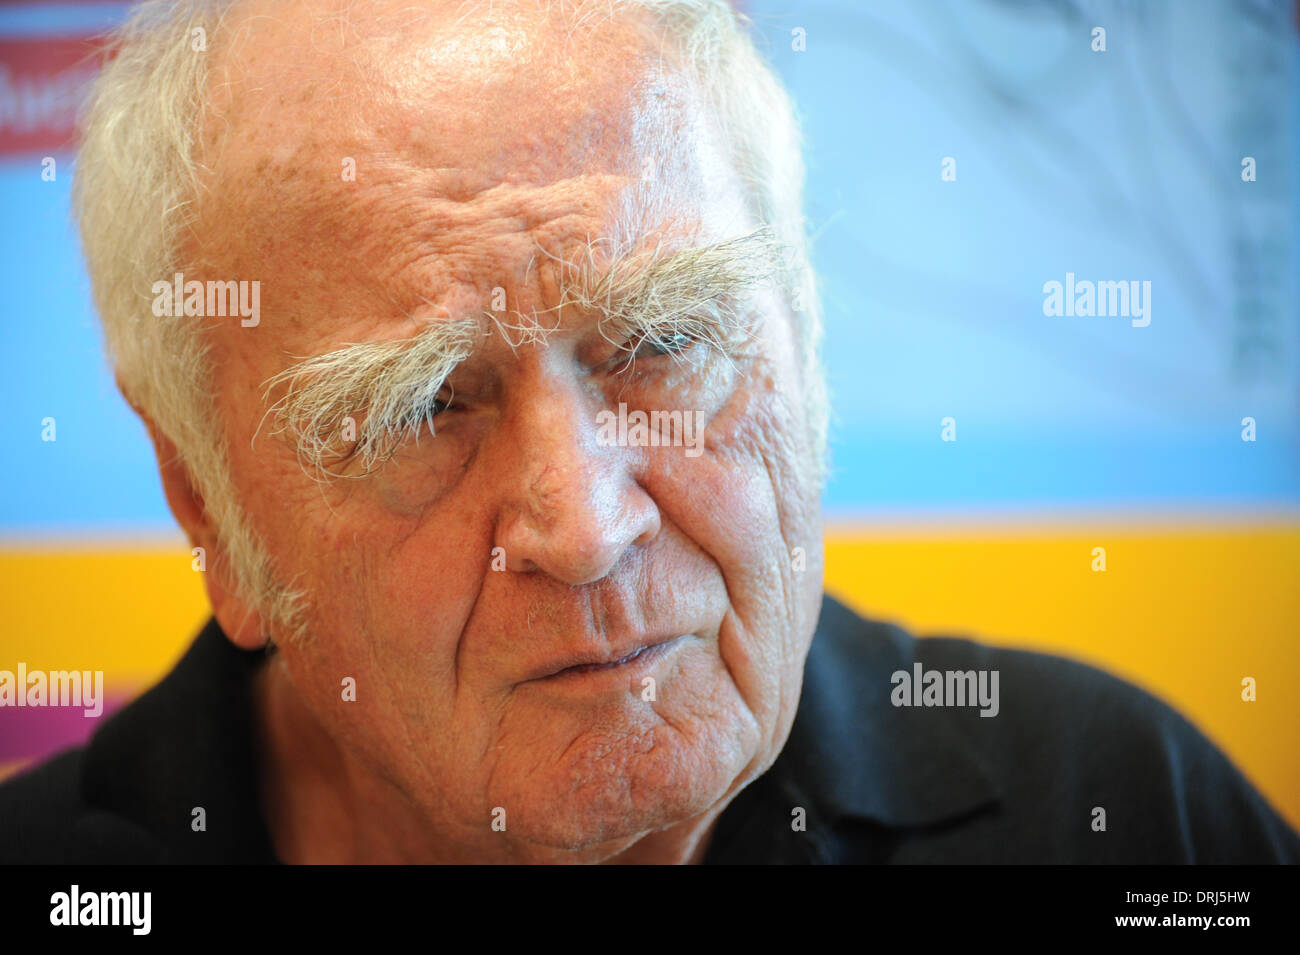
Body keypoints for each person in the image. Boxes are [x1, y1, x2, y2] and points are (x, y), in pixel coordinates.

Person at [2, 0, 1296, 864]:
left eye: (667, 341)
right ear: (209, 507)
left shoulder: (1118, 814)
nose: (587, 529)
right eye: (422, 407)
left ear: (804, 335)